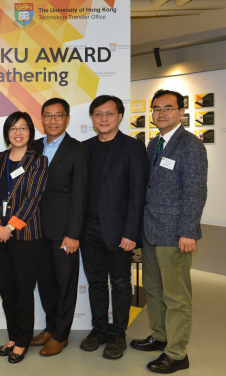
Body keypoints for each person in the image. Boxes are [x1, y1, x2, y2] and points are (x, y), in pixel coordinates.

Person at [131, 90, 207, 373]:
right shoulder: (154, 144)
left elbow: (196, 192)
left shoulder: (190, 146)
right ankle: (160, 336)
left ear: (181, 112)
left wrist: (188, 231)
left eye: (168, 108)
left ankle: (177, 353)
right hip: (151, 230)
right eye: (156, 108)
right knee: (153, 289)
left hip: (175, 233)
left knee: (176, 295)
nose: (161, 113)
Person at [79, 95, 149, 359]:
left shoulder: (132, 148)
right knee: (96, 282)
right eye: (98, 114)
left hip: (120, 232)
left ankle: (118, 333)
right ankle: (99, 329)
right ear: (92, 118)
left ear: (119, 116)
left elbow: (137, 193)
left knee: (120, 284)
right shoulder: (84, 148)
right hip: (88, 231)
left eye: (109, 113)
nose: (104, 118)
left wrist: (131, 232)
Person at [0, 112, 47, 364]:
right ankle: (12, 336)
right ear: (7, 133)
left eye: (23, 128)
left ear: (30, 132)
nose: (18, 133)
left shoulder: (38, 161)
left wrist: (9, 226)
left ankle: (22, 341)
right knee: (7, 289)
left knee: (23, 290)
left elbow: (34, 198)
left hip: (25, 235)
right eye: (13, 128)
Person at [29, 98, 89, 356]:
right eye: (48, 116)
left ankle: (61, 335)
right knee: (45, 282)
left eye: (59, 116)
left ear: (66, 119)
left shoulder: (78, 149)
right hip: (34, 229)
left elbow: (80, 194)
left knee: (65, 283)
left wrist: (73, 233)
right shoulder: (31, 147)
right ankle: (51, 327)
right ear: (41, 118)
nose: (53, 121)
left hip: (64, 229)